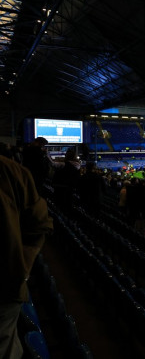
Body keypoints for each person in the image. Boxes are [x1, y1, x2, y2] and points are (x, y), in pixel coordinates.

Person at [1, 152, 53, 359]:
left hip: (5, 291)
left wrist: (20, 268)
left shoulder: (10, 171)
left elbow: (39, 225)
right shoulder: (11, 171)